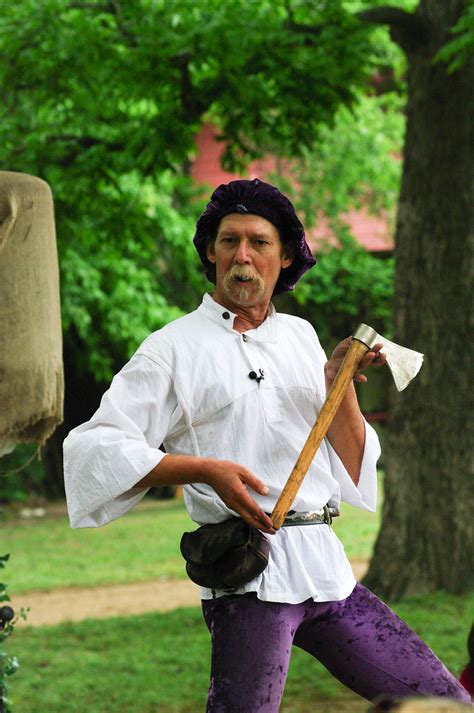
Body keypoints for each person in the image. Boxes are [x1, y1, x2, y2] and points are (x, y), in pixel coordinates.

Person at [63, 179, 470, 711]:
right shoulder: (172, 349)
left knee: (449, 701)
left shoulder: (300, 336)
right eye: (229, 241)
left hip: (326, 570)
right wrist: (203, 469)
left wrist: (336, 384)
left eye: (259, 242)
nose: (243, 256)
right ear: (210, 252)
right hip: (249, 577)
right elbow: (94, 448)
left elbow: (352, 465)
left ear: (285, 258)